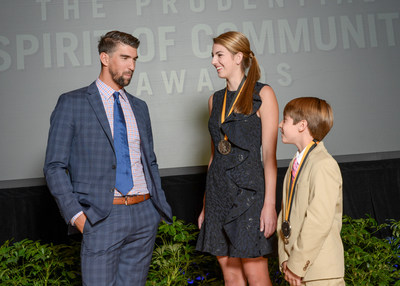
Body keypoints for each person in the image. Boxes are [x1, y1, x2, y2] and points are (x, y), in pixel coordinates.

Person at [43, 30, 172, 286]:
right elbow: (54, 166)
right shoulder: (72, 103)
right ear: (104, 57)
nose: (132, 66)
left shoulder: (139, 107)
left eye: (134, 59)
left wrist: (155, 209)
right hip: (103, 216)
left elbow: (150, 161)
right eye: (125, 58)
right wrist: (77, 216)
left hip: (143, 214)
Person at [196, 31, 279, 286]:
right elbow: (214, 158)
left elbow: (270, 157)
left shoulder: (263, 94)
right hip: (218, 195)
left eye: (219, 55)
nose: (213, 61)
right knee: (230, 276)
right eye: (213, 55)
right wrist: (205, 206)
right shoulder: (215, 100)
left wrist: (269, 205)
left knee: (255, 274)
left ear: (238, 57)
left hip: (250, 197)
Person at [277, 97, 345, 286]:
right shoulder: (295, 163)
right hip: (297, 270)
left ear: (302, 125)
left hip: (320, 274)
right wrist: (285, 259)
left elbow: (319, 221)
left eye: (285, 120)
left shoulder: (323, 164)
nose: (279, 125)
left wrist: (297, 266)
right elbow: (285, 215)